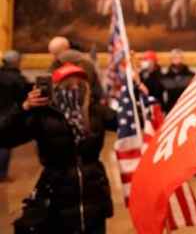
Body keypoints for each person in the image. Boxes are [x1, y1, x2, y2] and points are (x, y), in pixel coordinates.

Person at [1, 63, 117, 233]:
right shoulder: (42, 114)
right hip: (56, 194)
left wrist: (137, 89)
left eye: (80, 84)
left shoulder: (95, 111)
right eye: (68, 84)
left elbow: (128, 123)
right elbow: (5, 137)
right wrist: (23, 108)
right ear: (56, 87)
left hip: (94, 193)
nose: (75, 88)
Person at [0, 50, 32, 182]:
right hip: (9, 112)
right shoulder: (17, 78)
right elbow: (23, 97)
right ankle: (1, 174)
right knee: (4, 143)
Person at [161, 49, 194, 114]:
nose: (176, 59)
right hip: (171, 110)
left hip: (187, 108)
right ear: (170, 59)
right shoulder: (165, 77)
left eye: (178, 57)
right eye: (174, 57)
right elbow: (159, 96)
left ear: (182, 59)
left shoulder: (191, 75)